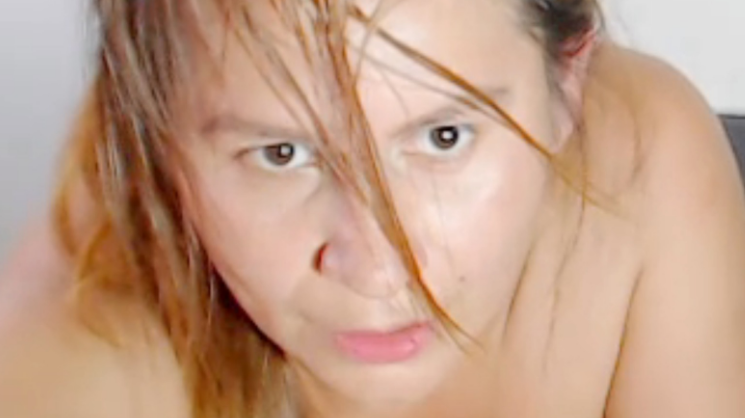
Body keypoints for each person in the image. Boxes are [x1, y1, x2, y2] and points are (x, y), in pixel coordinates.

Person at [1, 0, 744, 417]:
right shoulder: (75, 354)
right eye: (282, 153)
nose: (381, 269)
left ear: (568, 83)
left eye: (444, 137)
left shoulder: (641, 154)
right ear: (159, 138)